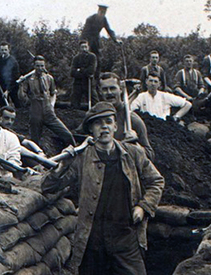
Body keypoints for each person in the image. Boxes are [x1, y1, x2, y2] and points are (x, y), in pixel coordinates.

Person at [42, 102, 165, 275]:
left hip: (125, 236)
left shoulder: (133, 153)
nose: (104, 127)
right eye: (98, 123)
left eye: (108, 121)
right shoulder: (82, 158)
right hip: (93, 240)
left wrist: (143, 207)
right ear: (91, 129)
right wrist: (61, 167)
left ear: (116, 125)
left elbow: (157, 181)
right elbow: (48, 187)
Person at [19, 55, 76, 147]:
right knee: (35, 141)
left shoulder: (49, 78)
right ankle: (36, 159)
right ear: (34, 66)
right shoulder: (28, 79)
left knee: (67, 135)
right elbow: (21, 97)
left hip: (48, 110)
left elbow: (53, 93)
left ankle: (75, 153)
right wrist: (21, 85)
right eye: (37, 66)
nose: (40, 68)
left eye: (42, 66)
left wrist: (52, 105)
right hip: (35, 110)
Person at [98, 72, 155, 160]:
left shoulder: (132, 120)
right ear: (100, 91)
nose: (109, 93)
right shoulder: (94, 117)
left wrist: (135, 145)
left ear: (120, 89)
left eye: (112, 88)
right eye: (105, 89)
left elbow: (150, 154)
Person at [81, 4, 121, 78]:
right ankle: (88, 77)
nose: (102, 14)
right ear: (98, 11)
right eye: (101, 12)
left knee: (98, 61)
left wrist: (115, 40)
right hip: (89, 41)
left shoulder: (104, 19)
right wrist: (84, 43)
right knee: (88, 60)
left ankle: (97, 79)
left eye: (104, 12)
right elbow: (84, 32)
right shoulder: (90, 19)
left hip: (96, 42)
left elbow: (109, 30)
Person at [0, 42, 21, 108]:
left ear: (9, 50)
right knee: (3, 105)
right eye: (2, 50)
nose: (4, 52)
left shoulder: (13, 62)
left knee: (17, 104)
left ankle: (18, 116)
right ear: (0, 50)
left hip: (13, 86)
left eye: (5, 50)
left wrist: (8, 90)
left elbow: (15, 77)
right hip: (1, 85)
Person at [70, 40, 97, 109]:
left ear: (88, 47)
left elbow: (91, 71)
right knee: (74, 102)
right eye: (82, 47)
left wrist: (80, 70)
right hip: (78, 83)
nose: (84, 49)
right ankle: (76, 116)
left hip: (89, 82)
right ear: (79, 48)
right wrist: (85, 71)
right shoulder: (76, 58)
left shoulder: (92, 57)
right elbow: (72, 73)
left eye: (85, 47)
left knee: (94, 101)